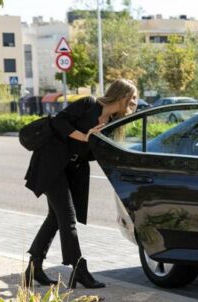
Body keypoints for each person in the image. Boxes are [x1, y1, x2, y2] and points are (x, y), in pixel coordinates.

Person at [24, 79, 138, 288]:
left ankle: (34, 269)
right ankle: (78, 269)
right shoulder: (89, 104)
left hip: (71, 170)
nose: (135, 102)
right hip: (51, 165)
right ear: (122, 96)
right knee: (67, 218)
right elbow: (59, 122)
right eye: (133, 98)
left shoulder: (112, 121)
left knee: (55, 218)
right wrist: (86, 137)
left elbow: (94, 153)